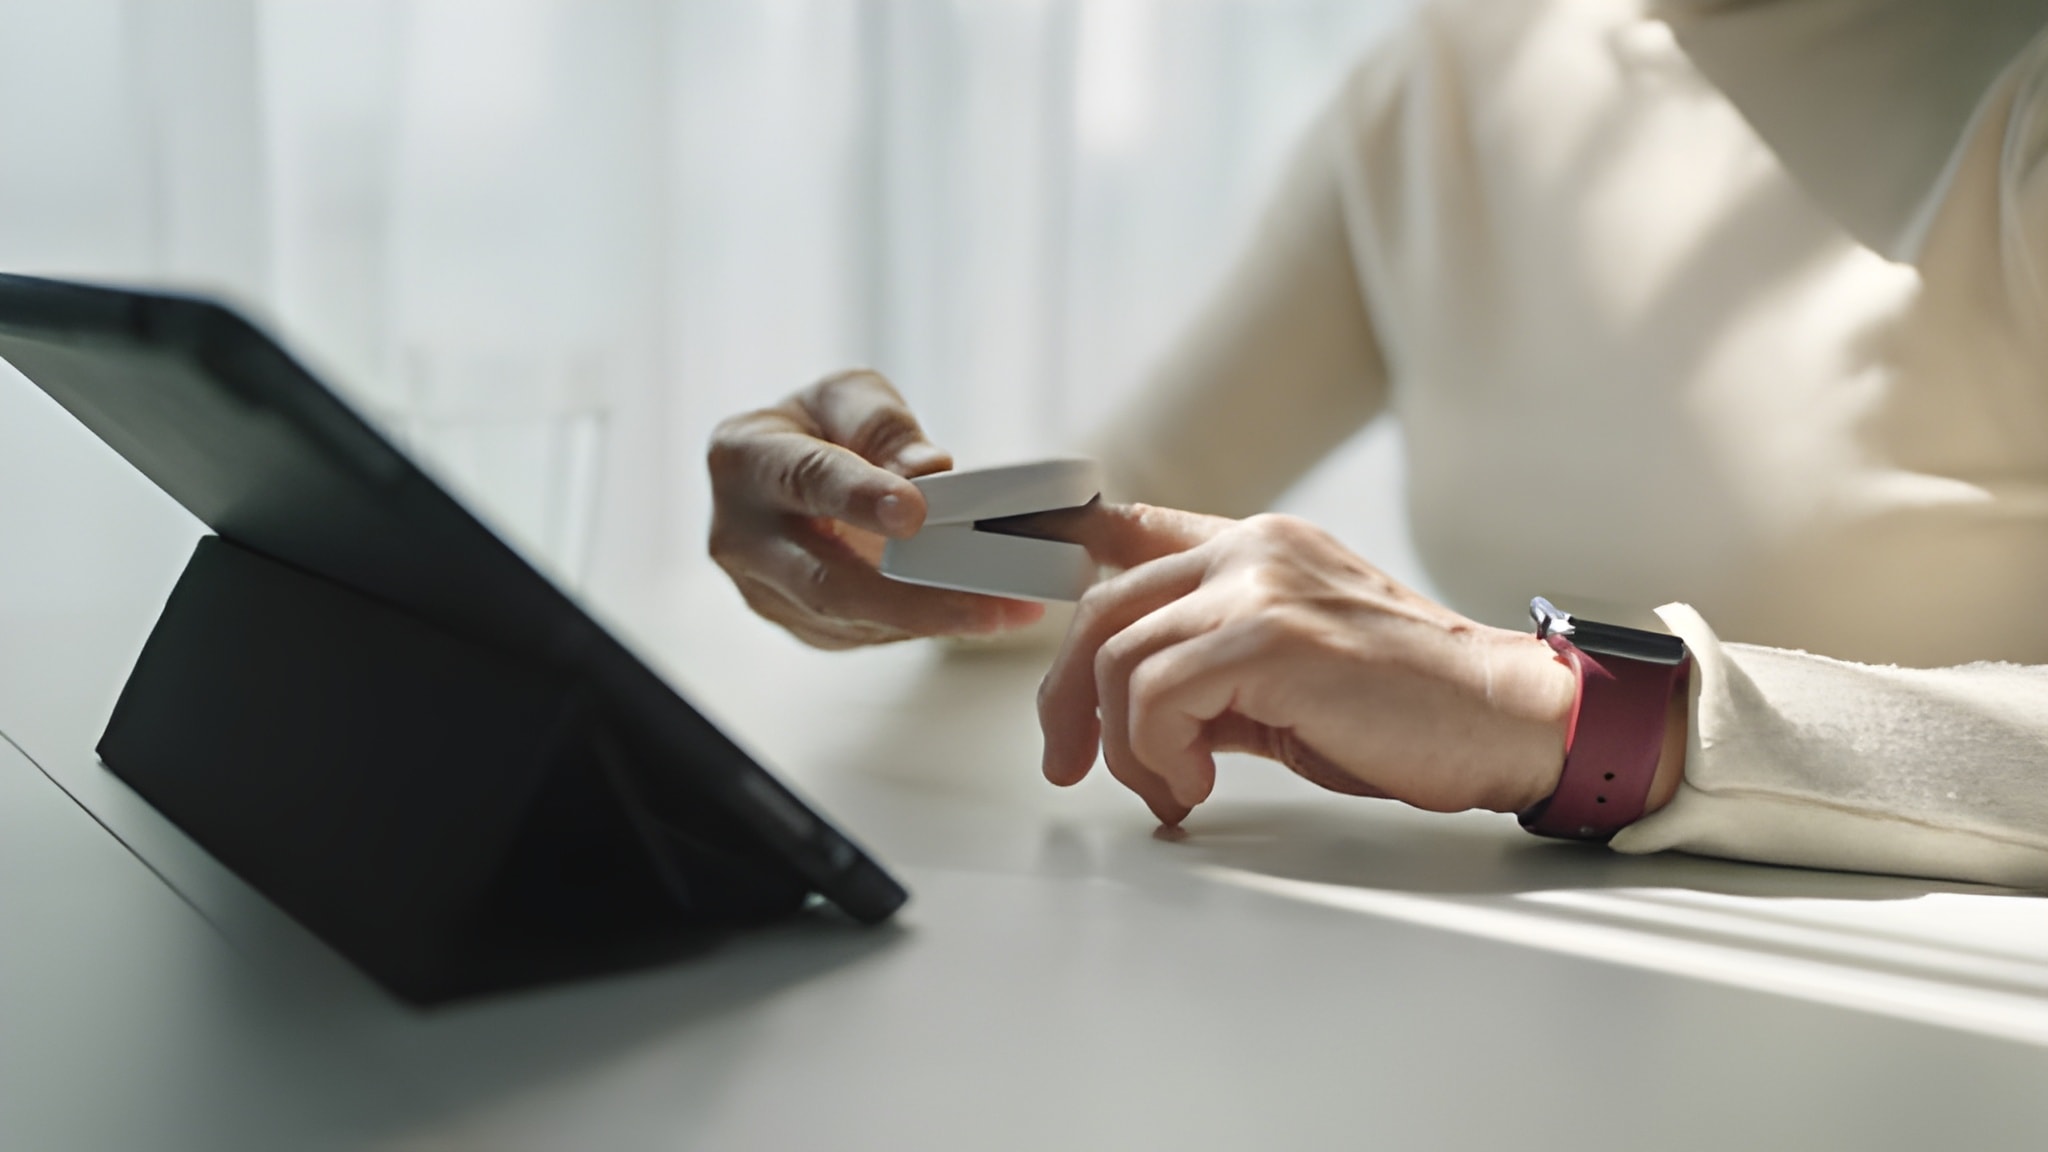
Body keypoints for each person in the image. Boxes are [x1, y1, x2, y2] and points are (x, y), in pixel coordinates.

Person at [707, 0, 2048, 890]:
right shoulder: (1460, 74)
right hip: (1542, 1009)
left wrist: (1559, 710)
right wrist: (878, 530)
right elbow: (1122, 519)